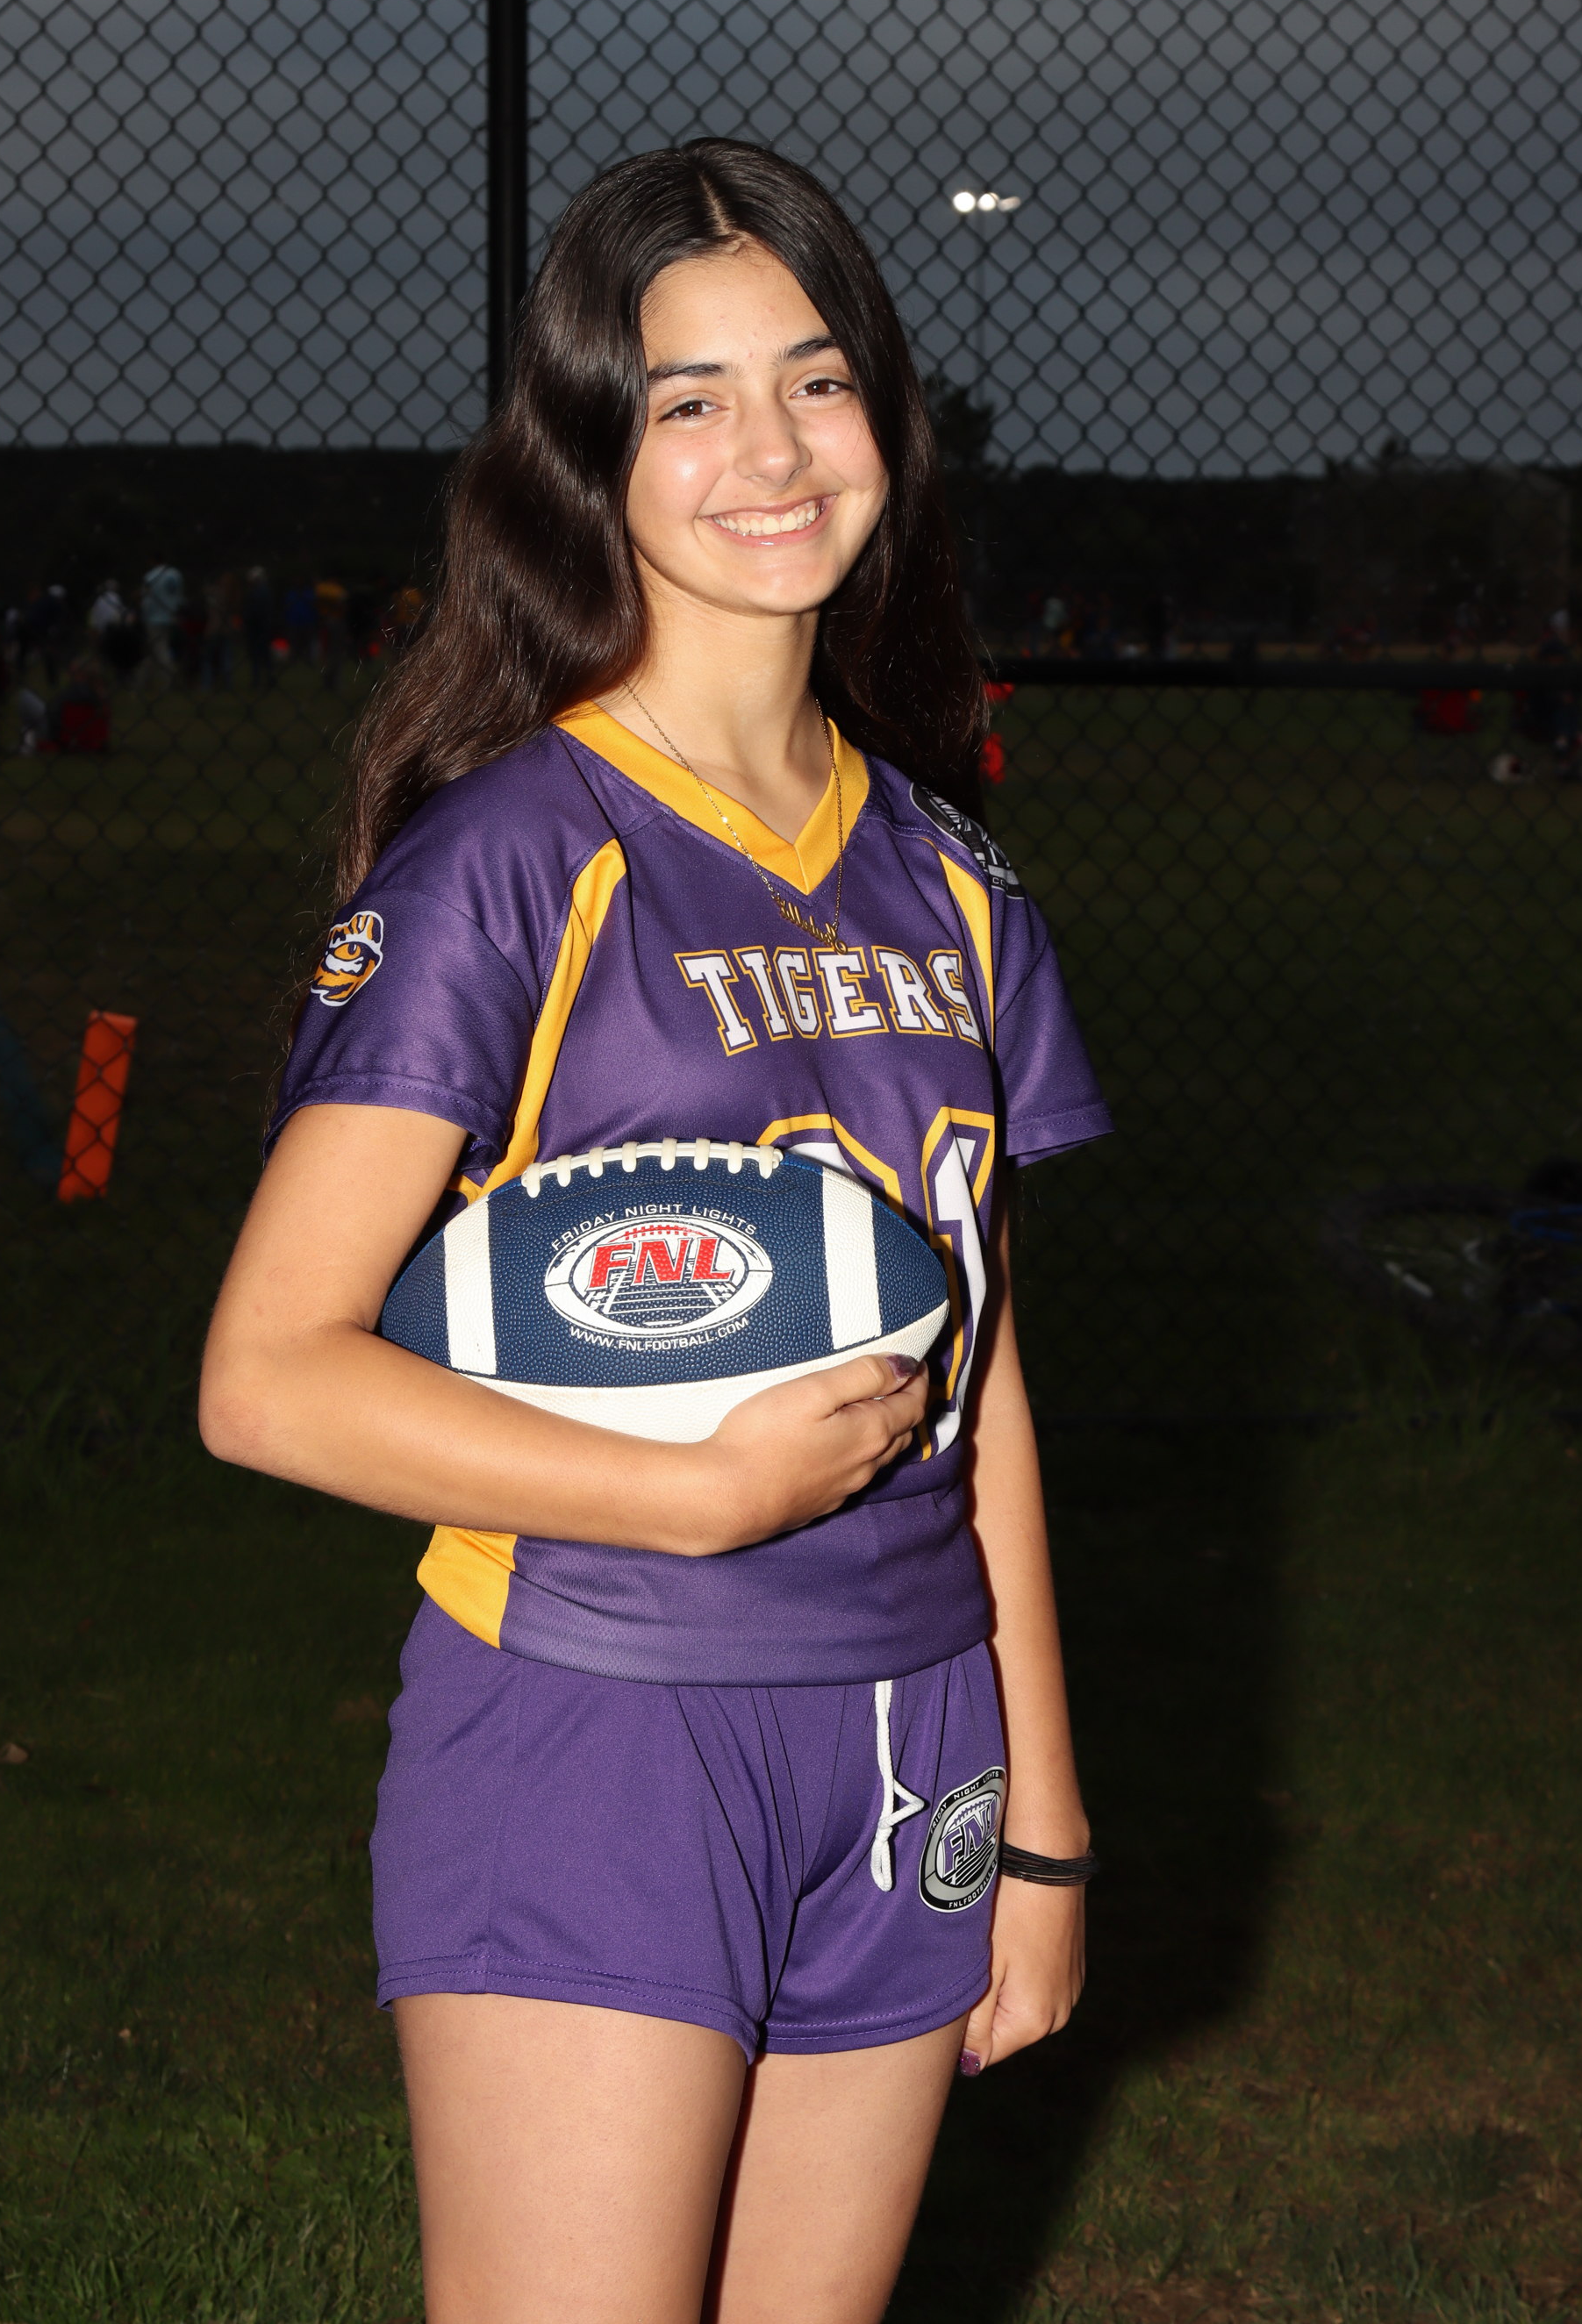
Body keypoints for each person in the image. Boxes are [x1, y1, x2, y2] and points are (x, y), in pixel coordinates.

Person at [199, 140, 1112, 2324]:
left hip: (913, 1734)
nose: (769, 452)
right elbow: (267, 1376)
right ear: (589, 457)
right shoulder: (511, 859)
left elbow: (979, 1368)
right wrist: (685, 1496)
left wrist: (1045, 1816)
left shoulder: (951, 879)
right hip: (600, 1720)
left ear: (883, 411)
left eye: (814, 380)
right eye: (689, 399)